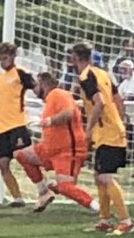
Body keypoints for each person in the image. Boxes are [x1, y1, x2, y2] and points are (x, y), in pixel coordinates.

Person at [72, 42, 134, 236]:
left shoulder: (86, 77)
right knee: (99, 176)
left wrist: (88, 129)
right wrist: (120, 121)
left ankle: (126, 221)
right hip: (111, 130)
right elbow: (118, 99)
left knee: (105, 176)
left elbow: (99, 103)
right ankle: (105, 219)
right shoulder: (103, 74)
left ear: (74, 58)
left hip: (107, 132)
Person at [13, 72, 94, 212]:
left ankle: (98, 207)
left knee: (65, 187)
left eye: (36, 85)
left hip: (67, 151)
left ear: (44, 83)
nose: (34, 88)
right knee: (21, 155)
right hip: (50, 149)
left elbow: (68, 114)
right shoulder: (50, 99)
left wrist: (47, 121)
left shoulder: (58, 94)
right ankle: (44, 191)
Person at [0, 42, 36, 207]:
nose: (3, 62)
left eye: (5, 58)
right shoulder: (0, 78)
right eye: (0, 59)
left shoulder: (20, 73)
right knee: (3, 164)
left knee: (25, 158)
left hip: (17, 125)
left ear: (12, 57)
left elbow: (36, 87)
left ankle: (42, 188)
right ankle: (18, 198)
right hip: (0, 128)